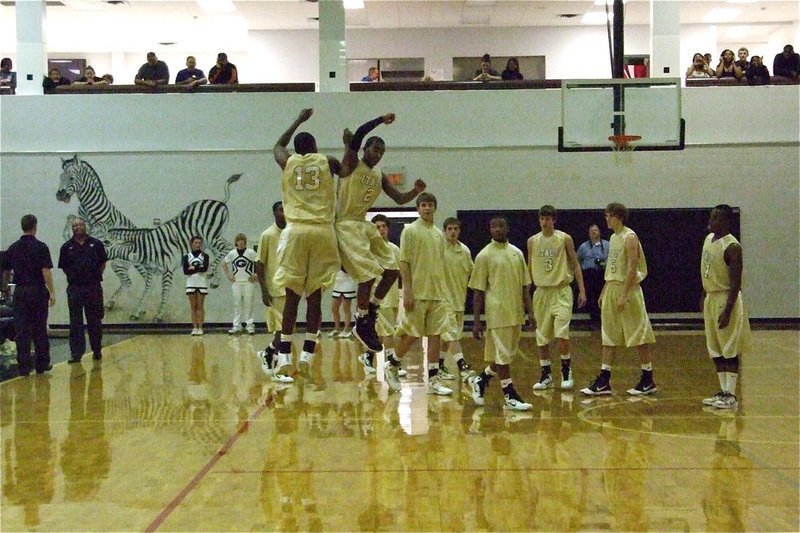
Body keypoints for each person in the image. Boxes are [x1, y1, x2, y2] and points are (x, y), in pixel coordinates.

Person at [257, 108, 342, 382]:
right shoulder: (327, 160)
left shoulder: (289, 161)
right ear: (315, 147)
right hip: (322, 231)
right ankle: (307, 355)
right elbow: (349, 170)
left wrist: (298, 120)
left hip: (295, 231)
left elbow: (277, 146)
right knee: (315, 295)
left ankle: (283, 357)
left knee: (292, 296)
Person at [336, 112, 425, 355]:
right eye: (374, 149)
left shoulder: (379, 175)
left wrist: (415, 191)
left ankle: (372, 310)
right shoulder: (353, 161)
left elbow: (398, 199)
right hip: (345, 223)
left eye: (381, 152)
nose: (377, 154)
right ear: (365, 149)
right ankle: (361, 319)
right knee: (366, 276)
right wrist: (379, 120)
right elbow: (360, 132)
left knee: (392, 269)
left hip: (363, 224)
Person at [581, 203, 657, 397]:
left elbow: (632, 268)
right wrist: (605, 290)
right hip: (612, 288)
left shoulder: (629, 237)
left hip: (628, 290)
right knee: (609, 335)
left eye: (609, 216)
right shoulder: (613, 238)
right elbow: (612, 268)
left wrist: (623, 294)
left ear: (619, 217)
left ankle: (648, 379)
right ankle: (604, 379)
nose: (606, 219)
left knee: (639, 334)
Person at [383, 192, 452, 396]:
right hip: (418, 292)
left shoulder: (439, 234)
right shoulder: (410, 231)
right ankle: (393, 364)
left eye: (430, 204)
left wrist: (444, 290)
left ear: (435, 208)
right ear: (418, 208)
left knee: (435, 335)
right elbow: (404, 262)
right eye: (423, 205)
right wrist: (408, 290)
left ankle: (433, 380)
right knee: (412, 334)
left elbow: (440, 264)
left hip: (437, 294)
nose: (427, 208)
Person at [467, 215, 533, 411]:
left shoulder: (517, 253)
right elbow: (478, 292)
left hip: (516, 314)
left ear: (507, 228)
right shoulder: (484, 256)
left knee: (505, 356)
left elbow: (525, 288)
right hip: (497, 315)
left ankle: (481, 379)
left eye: (501, 225)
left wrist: (531, 313)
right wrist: (477, 322)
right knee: (504, 357)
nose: (497, 229)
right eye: (494, 226)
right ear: (489, 230)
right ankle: (510, 396)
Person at [528, 205, 586, 391]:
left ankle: (566, 371)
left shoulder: (564, 239)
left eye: (548, 218)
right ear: (539, 220)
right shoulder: (532, 241)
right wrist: (526, 296)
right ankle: (546, 374)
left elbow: (575, 265)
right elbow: (529, 269)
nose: (545, 222)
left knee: (562, 333)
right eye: (542, 218)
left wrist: (582, 290)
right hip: (541, 291)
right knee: (542, 336)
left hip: (561, 290)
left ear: (554, 220)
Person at [700, 205, 752, 410]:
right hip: (711, 297)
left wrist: (728, 310)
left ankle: (731, 394)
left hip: (725, 298)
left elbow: (736, 282)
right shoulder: (708, 240)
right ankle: (722, 391)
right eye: (712, 216)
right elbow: (706, 271)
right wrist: (703, 294)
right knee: (715, 349)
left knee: (729, 348)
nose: (712, 220)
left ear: (727, 221)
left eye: (717, 217)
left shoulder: (732, 247)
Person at [0, 215, 56, 375]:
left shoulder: (13, 248)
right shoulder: (41, 247)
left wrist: (4, 290)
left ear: (22, 227)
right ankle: (42, 363)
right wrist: (51, 291)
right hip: (37, 290)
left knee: (22, 329)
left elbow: (5, 271)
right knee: (39, 328)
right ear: (35, 227)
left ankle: (24, 366)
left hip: (21, 291)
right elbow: (45, 271)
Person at [356, 214, 407, 379]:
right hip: (376, 298)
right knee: (388, 333)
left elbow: (400, 272)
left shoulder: (395, 249)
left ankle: (367, 357)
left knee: (379, 332)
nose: (381, 230)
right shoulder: (369, 250)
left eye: (383, 226)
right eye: (377, 227)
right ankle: (391, 364)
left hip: (392, 297)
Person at [57, 217, 107, 363]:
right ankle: (76, 353)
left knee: (95, 320)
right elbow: (64, 267)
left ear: (85, 226)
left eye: (80, 224)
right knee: (75, 322)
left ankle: (97, 350)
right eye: (74, 226)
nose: (77, 227)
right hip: (75, 288)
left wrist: (95, 275)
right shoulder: (66, 247)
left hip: (93, 287)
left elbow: (103, 263)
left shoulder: (96, 244)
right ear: (72, 229)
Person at [440, 216, 474, 381]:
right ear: (444, 231)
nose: (453, 232)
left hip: (459, 300)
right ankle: (463, 366)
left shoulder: (465, 251)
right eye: (449, 229)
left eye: (455, 229)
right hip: (442, 300)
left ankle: (439, 366)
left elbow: (473, 273)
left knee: (448, 337)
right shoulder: (439, 249)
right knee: (452, 334)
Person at [256, 201, 286, 352]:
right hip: (275, 289)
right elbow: (259, 263)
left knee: (288, 330)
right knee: (283, 329)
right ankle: (274, 356)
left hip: (291, 287)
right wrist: (264, 290)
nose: (284, 213)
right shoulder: (267, 235)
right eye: (281, 210)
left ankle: (271, 355)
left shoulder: (292, 233)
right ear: (274, 213)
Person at [223, 233, 258, 335]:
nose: (241, 242)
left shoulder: (251, 252)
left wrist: (255, 275)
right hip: (236, 282)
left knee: (249, 304)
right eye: (239, 240)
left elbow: (258, 263)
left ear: (245, 242)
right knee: (237, 304)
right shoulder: (232, 253)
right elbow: (224, 263)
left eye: (242, 240)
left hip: (248, 282)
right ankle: (236, 325)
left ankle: (249, 325)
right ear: (236, 242)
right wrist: (229, 276)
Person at [576, 223, 609, 325]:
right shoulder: (583, 246)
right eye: (591, 231)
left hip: (602, 274)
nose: (594, 232)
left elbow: (612, 261)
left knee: (604, 297)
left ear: (599, 232)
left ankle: (605, 322)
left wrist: (602, 263)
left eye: (596, 230)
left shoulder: (608, 245)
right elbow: (577, 261)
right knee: (591, 298)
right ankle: (594, 321)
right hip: (588, 275)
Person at [183, 236, 209, 335]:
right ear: (192, 244)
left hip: (201, 283)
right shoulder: (187, 256)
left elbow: (205, 268)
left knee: (200, 306)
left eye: (199, 243)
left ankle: (200, 327)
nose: (198, 245)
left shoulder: (205, 256)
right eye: (196, 243)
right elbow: (185, 271)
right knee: (193, 306)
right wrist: (199, 267)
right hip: (191, 284)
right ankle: (194, 327)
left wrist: (193, 267)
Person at [329, 270, 356, 338]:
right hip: (337, 283)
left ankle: (346, 330)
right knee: (334, 308)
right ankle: (337, 328)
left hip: (347, 283)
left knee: (346, 308)